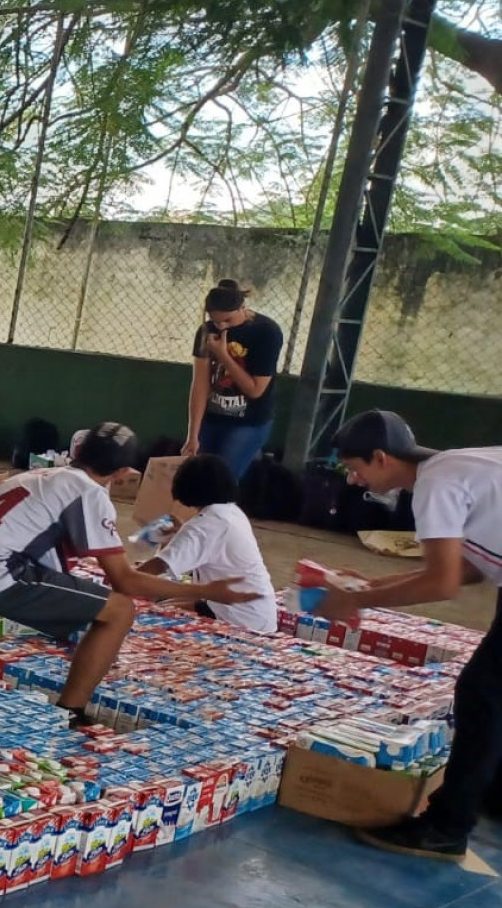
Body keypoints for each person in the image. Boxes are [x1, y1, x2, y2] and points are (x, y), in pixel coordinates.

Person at [0, 422, 260, 728]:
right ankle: (71, 711)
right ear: (125, 473)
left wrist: (153, 539)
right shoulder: (93, 495)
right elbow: (128, 581)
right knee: (119, 610)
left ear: (77, 452)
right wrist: (207, 589)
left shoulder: (39, 476)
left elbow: (98, 555)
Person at [317, 412, 502, 861]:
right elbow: (472, 567)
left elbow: (442, 585)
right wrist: (368, 588)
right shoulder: (457, 466)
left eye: (355, 468)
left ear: (382, 458)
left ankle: (446, 827)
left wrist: (356, 603)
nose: (355, 480)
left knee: (481, 693)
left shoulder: (435, 485)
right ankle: (486, 793)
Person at [135, 454, 277, 635]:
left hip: (238, 618)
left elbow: (155, 568)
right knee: (163, 604)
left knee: (148, 614)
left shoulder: (203, 526)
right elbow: (209, 545)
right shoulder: (230, 512)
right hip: (253, 612)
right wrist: (181, 534)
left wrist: (118, 580)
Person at [183, 280, 283, 480]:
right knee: (198, 477)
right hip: (213, 416)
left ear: (242, 308)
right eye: (215, 320)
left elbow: (255, 390)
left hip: (248, 420)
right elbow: (200, 385)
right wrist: (192, 435)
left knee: (223, 479)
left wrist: (223, 356)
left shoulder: (266, 332)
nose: (221, 326)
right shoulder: (207, 330)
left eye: (228, 320)